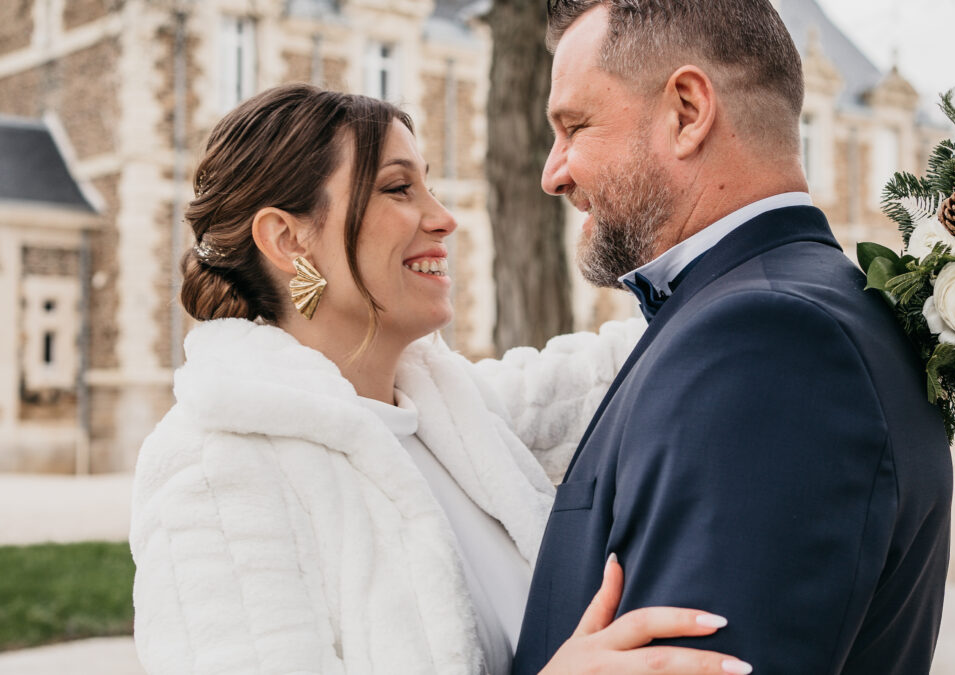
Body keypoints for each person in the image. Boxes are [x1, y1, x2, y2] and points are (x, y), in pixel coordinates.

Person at [129, 83, 749, 674]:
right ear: (288, 239)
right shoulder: (212, 470)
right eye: (399, 189)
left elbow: (631, 363)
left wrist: (810, 272)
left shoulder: (452, 414)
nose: (444, 217)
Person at [511, 1, 953, 673]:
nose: (555, 172)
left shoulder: (767, 341)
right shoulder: (807, 305)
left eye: (575, 126)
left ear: (687, 111)